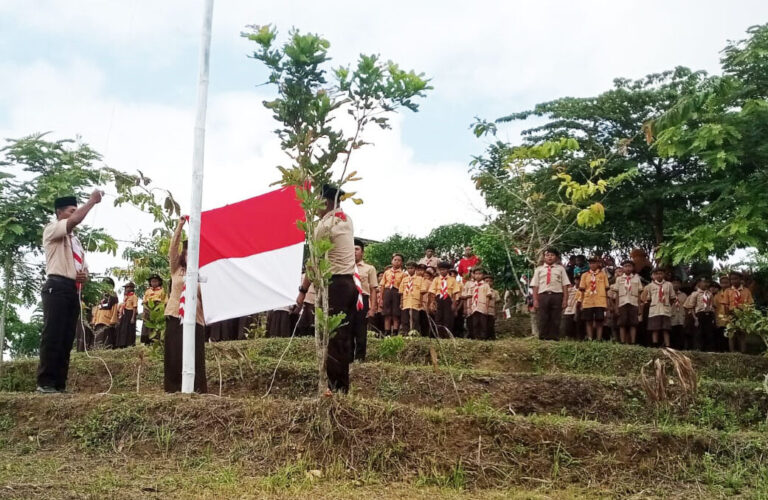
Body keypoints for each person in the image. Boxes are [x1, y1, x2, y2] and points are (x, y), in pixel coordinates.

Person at [36, 191, 102, 394]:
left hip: (72, 289)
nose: (76, 214)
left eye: (76, 210)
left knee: (66, 338)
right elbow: (73, 221)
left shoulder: (76, 242)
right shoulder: (52, 230)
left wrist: (83, 276)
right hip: (56, 286)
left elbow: (83, 268)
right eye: (71, 211)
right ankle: (45, 382)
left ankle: (59, 383)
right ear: (60, 213)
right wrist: (91, 202)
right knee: (53, 334)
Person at [296, 184, 357, 393]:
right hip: (349, 284)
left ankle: (333, 387)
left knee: (331, 337)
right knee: (342, 337)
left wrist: (303, 291)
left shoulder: (325, 226)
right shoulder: (346, 220)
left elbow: (313, 263)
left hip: (335, 285)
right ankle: (342, 386)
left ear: (326, 201)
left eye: (318, 201)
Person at [164, 217, 207, 393]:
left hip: (196, 319)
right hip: (175, 315)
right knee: (174, 355)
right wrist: (180, 226)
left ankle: (197, 390)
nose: (191, 255)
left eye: (195, 252)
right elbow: (172, 249)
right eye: (188, 251)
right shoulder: (177, 269)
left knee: (195, 356)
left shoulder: (203, 274)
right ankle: (173, 390)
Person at [532, 247, 571, 341]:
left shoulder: (561, 269)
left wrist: (565, 299)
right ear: (544, 257)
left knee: (555, 316)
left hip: (557, 295)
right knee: (543, 316)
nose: (550, 257)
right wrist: (535, 300)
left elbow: (565, 285)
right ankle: (543, 336)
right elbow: (535, 286)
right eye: (547, 255)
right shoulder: (539, 269)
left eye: (552, 255)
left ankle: (554, 337)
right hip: (543, 295)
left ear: (556, 257)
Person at [353, 239, 378, 361]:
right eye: (351, 249)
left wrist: (373, 308)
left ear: (362, 252)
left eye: (357, 249)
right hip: (348, 299)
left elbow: (373, 289)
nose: (354, 252)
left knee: (361, 330)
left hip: (363, 299)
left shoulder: (370, 268)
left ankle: (360, 357)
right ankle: (348, 357)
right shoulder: (345, 267)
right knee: (347, 329)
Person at [641, 268, 676, 347]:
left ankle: (667, 345)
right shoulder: (650, 286)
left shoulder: (669, 284)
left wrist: (668, 305)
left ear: (664, 275)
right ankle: (655, 345)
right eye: (657, 274)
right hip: (655, 310)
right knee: (655, 328)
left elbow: (672, 298)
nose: (659, 275)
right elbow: (648, 299)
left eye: (661, 273)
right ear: (654, 276)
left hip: (665, 309)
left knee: (666, 329)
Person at [611, 260, 643, 344]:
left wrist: (640, 307)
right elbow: (617, 294)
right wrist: (616, 307)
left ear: (633, 268)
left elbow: (639, 294)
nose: (628, 268)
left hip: (634, 303)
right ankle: (622, 341)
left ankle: (632, 342)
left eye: (630, 266)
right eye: (625, 266)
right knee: (622, 323)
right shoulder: (619, 279)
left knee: (633, 323)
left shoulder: (637, 279)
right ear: (623, 268)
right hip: (622, 303)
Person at [579, 256, 609, 341]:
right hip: (588, 300)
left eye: (594, 263)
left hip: (600, 301)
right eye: (591, 263)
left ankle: (599, 338)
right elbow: (582, 290)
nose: (592, 265)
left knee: (599, 320)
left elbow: (606, 289)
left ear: (598, 264)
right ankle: (590, 338)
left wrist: (607, 303)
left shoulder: (603, 275)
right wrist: (581, 302)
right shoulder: (584, 275)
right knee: (588, 320)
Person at [724, 271, 754, 353]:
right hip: (731, 314)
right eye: (732, 279)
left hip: (742, 314)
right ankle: (732, 352)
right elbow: (726, 304)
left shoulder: (746, 291)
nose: (734, 281)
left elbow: (750, 303)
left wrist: (747, 314)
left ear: (741, 279)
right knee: (731, 334)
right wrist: (727, 316)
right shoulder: (728, 291)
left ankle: (743, 352)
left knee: (742, 333)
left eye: (736, 279)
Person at [428, 261, 461, 337]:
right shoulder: (436, 279)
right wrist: (432, 302)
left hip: (448, 300)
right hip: (438, 299)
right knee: (438, 318)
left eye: (444, 269)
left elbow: (456, 293)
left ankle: (447, 335)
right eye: (441, 269)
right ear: (439, 270)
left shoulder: (452, 280)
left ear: (448, 270)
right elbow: (432, 292)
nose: (442, 271)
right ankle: (439, 335)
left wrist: (454, 304)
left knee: (448, 318)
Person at [684, 277, 714, 351]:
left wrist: (713, 317)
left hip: (708, 314)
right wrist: (695, 318)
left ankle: (708, 349)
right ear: (699, 284)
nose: (706, 284)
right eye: (704, 282)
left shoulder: (710, 294)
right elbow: (691, 307)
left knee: (708, 333)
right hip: (699, 314)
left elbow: (712, 305)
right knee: (698, 333)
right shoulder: (695, 294)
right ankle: (698, 349)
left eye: (707, 282)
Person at [463, 268, 493, 340]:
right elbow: (469, 297)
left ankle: (483, 337)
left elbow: (488, 297)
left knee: (483, 323)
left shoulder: (486, 285)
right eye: (476, 274)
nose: (478, 276)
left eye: (480, 274)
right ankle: (476, 337)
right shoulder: (472, 285)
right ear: (473, 275)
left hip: (482, 307)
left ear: (483, 275)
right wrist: (469, 308)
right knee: (475, 323)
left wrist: (486, 307)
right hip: (474, 307)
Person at [379, 253, 405, 336]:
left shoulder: (403, 274)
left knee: (395, 314)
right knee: (387, 314)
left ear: (402, 263)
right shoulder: (387, 272)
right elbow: (382, 285)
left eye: (399, 260)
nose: (397, 262)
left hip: (397, 293)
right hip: (387, 292)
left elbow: (403, 287)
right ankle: (387, 332)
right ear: (392, 261)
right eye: (395, 260)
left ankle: (395, 332)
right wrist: (381, 298)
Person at [399, 261, 428, 335]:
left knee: (415, 318)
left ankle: (415, 332)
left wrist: (420, 302)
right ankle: (405, 332)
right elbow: (401, 292)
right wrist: (401, 302)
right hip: (406, 301)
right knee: (405, 318)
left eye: (411, 268)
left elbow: (423, 291)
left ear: (415, 269)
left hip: (415, 301)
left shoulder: (420, 279)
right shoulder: (404, 279)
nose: (410, 270)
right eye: (408, 268)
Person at [92, 278, 119, 348]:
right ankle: (98, 349)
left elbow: (115, 308)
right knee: (98, 336)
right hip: (99, 319)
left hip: (107, 319)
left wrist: (113, 320)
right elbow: (97, 308)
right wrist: (94, 319)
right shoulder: (100, 296)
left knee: (107, 337)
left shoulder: (113, 295)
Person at [140, 274, 167, 345]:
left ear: (159, 282)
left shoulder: (162, 290)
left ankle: (156, 340)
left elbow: (165, 300)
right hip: (148, 307)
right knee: (147, 323)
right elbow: (144, 300)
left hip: (158, 307)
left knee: (157, 323)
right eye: (152, 281)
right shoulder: (148, 291)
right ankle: (146, 341)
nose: (154, 283)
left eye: (156, 281)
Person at [115, 282, 138, 348]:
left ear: (132, 288)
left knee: (130, 329)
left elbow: (134, 307)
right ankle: (122, 343)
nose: (127, 289)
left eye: (128, 287)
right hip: (124, 313)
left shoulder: (134, 296)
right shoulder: (125, 297)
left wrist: (133, 317)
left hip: (130, 313)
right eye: (126, 288)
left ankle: (130, 344)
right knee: (123, 329)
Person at [713, 276, 731, 352]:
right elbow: (714, 308)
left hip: (730, 319)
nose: (724, 285)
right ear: (720, 284)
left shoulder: (733, 293)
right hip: (719, 319)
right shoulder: (717, 295)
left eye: (726, 283)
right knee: (720, 337)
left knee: (729, 337)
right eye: (722, 283)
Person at [670, 278, 688, 349]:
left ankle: (681, 349)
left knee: (681, 335)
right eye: (674, 283)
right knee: (672, 335)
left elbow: (687, 307)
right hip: (671, 317)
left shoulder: (684, 295)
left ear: (680, 285)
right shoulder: (668, 294)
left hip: (681, 318)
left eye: (678, 283)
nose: (676, 285)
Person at [484, 274, 501, 340]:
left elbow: (497, 303)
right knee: (484, 325)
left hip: (491, 311)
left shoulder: (495, 292)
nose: (488, 283)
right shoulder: (481, 290)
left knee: (491, 325)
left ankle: (492, 338)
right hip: (483, 310)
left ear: (493, 282)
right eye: (486, 281)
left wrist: (496, 313)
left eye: (490, 281)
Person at [420, 267, 436, 336]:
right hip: (421, 304)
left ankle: (430, 334)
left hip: (428, 303)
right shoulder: (421, 282)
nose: (426, 277)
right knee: (422, 320)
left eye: (427, 276)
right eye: (424, 276)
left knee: (429, 320)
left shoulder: (431, 283)